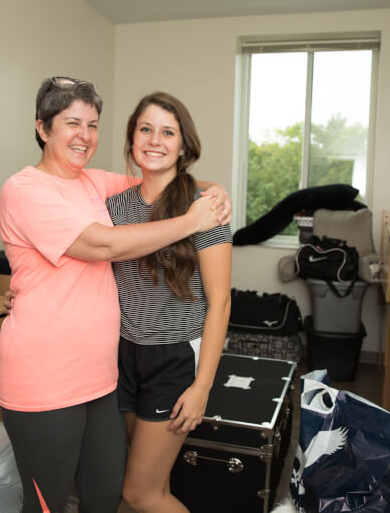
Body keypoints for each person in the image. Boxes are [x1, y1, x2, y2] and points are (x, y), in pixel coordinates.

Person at [0, 77, 230, 513]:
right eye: (71, 123)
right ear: (43, 129)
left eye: (92, 124)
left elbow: (162, 177)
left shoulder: (94, 183)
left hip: (108, 374)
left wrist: (211, 192)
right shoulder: (26, 189)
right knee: (53, 501)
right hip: (50, 375)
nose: (84, 135)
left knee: (109, 496)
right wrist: (196, 218)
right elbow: (105, 245)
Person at [109, 92, 232, 513]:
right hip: (122, 354)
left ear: (183, 145)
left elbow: (221, 304)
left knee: (140, 493)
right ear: (131, 138)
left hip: (175, 358)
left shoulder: (206, 207)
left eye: (168, 131)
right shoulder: (114, 206)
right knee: (142, 479)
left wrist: (202, 387)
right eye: (145, 129)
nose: (155, 140)